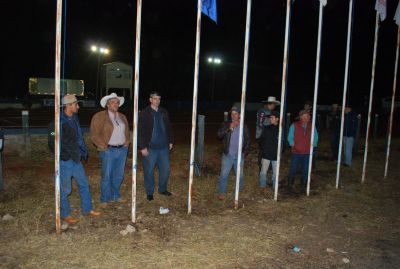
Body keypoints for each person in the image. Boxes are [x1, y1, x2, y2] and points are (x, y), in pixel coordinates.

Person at [48, 94, 100, 224]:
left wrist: (83, 151)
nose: (78, 106)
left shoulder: (74, 118)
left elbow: (78, 137)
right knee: (65, 189)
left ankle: (87, 209)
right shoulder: (57, 122)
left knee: (84, 184)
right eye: (76, 104)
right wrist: (63, 154)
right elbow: (51, 140)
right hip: (65, 160)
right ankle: (65, 214)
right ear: (68, 106)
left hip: (76, 158)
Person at [90, 93, 130, 208]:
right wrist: (103, 146)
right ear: (107, 104)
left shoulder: (122, 116)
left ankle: (116, 195)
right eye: (113, 102)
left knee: (118, 174)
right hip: (108, 150)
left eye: (117, 102)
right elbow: (94, 134)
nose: (116, 104)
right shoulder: (99, 116)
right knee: (106, 175)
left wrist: (127, 141)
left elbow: (126, 130)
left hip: (122, 150)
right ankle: (104, 199)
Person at [138, 91, 174, 201]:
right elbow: (140, 131)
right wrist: (142, 147)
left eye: (159, 98)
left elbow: (169, 127)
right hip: (150, 148)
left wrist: (171, 141)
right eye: (155, 98)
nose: (157, 101)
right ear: (150, 100)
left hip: (163, 147)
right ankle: (150, 192)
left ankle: (162, 189)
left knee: (166, 170)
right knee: (148, 171)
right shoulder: (144, 113)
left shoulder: (164, 112)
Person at [217, 106, 250, 200]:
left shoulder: (244, 125)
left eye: (235, 113)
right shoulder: (226, 124)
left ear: (239, 115)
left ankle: (239, 191)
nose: (233, 115)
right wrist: (229, 127)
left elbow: (248, 139)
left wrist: (244, 152)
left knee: (240, 175)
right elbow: (219, 135)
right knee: (224, 174)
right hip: (228, 154)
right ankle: (222, 192)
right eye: (232, 113)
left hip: (240, 155)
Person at [287, 109, 318, 193]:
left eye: (308, 116)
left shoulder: (312, 126)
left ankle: (303, 186)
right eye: (306, 116)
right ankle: (290, 185)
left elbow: (315, 137)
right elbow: (290, 137)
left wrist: (313, 146)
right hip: (296, 152)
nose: (308, 118)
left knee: (306, 169)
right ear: (301, 117)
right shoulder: (294, 125)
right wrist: (293, 145)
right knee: (293, 168)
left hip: (308, 153)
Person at [259, 111, 279, 193]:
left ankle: (275, 187)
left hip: (276, 155)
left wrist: (280, 151)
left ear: (277, 118)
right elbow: (261, 140)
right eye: (270, 118)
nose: (270, 119)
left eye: (272, 118)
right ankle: (262, 186)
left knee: (275, 173)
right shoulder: (266, 128)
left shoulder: (281, 129)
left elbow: (283, 142)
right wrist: (264, 150)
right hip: (266, 154)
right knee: (263, 172)